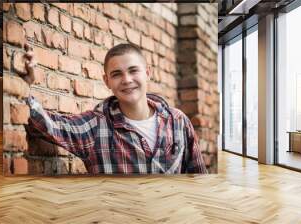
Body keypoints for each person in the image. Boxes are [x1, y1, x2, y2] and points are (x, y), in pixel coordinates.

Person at [22, 43, 207, 174]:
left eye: (133, 70)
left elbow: (198, 177)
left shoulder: (177, 121)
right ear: (107, 81)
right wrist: (25, 86)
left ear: (148, 73)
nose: (127, 80)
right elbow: (48, 125)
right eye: (117, 74)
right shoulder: (94, 126)